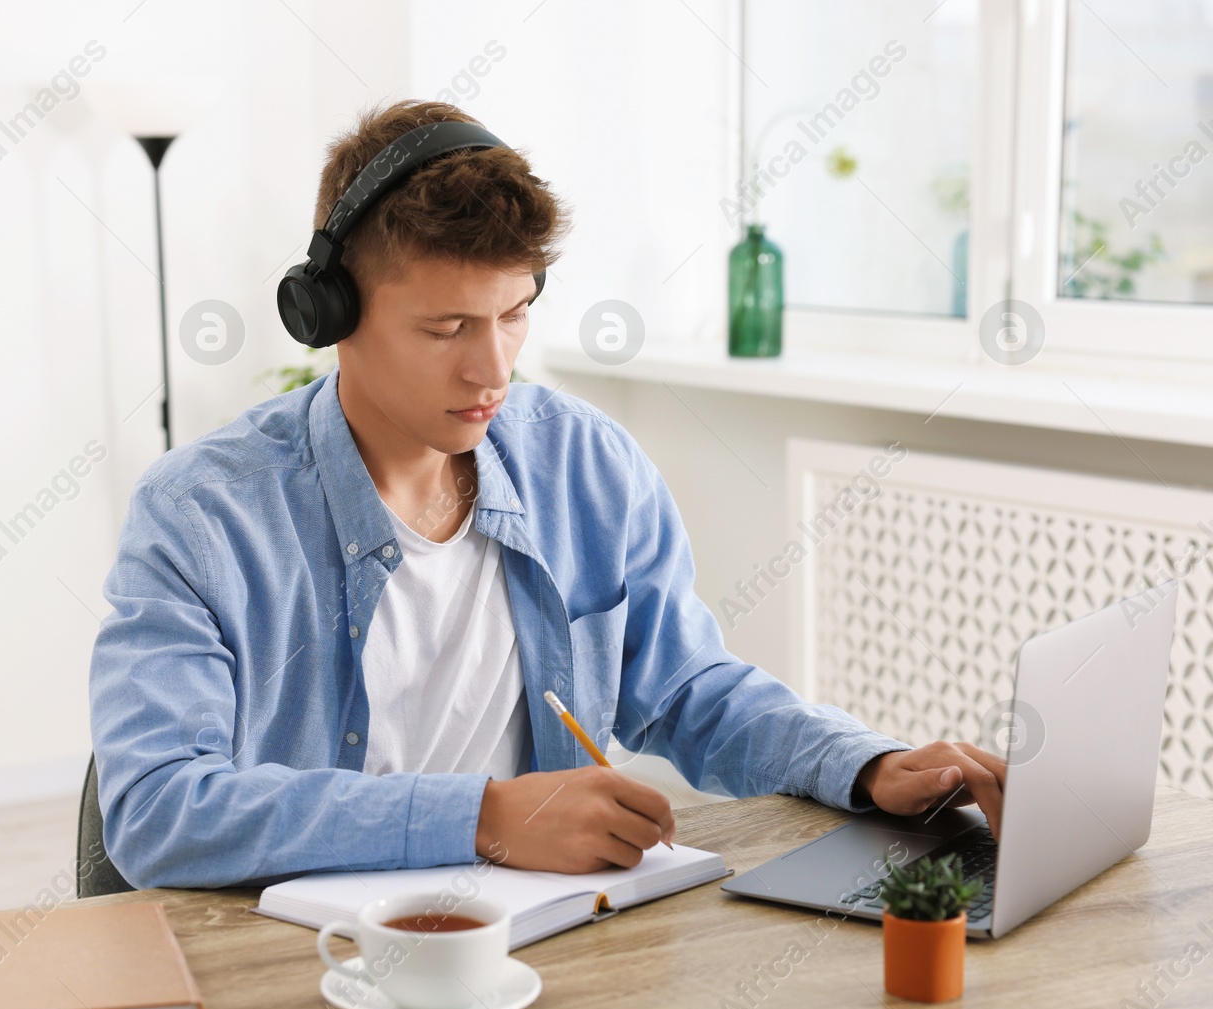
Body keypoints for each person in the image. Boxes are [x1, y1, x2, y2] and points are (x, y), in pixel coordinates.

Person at [89, 99, 1007, 889]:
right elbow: (159, 806)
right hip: (307, 961)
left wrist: (865, 763)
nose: (493, 368)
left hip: (544, 933)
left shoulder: (583, 461)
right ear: (329, 315)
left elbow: (687, 687)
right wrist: (481, 816)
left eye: (516, 312)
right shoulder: (202, 512)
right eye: (447, 326)